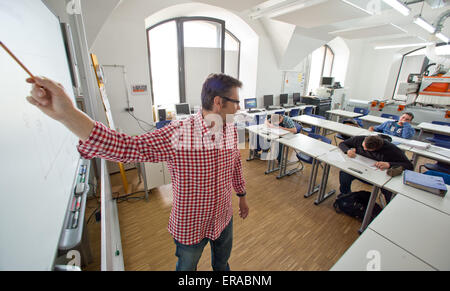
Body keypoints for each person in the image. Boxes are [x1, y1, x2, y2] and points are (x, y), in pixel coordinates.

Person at [26, 73, 249, 271]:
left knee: (222, 265)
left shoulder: (230, 130)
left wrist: (242, 196)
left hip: (223, 217)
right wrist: (68, 115)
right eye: (236, 102)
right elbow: (128, 148)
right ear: (218, 102)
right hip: (191, 224)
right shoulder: (179, 133)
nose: (239, 108)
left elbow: (235, 165)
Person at [338, 135, 413, 202]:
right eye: (363, 146)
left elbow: (409, 166)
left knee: (388, 190)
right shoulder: (360, 139)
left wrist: (389, 164)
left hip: (380, 176)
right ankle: (345, 195)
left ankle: (389, 209)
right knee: (344, 173)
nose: (364, 149)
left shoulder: (391, 149)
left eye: (367, 149)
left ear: (377, 148)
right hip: (361, 168)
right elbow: (342, 143)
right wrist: (347, 150)